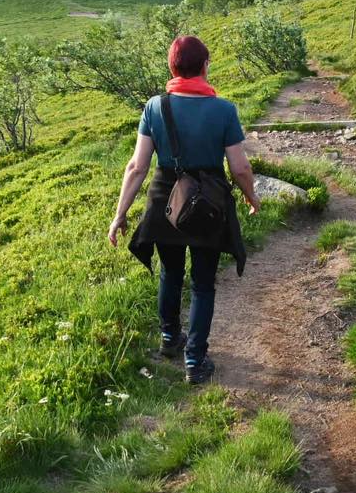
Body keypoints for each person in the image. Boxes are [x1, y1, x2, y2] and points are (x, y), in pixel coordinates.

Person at [108, 35, 260, 383]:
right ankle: (195, 360)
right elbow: (240, 168)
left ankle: (169, 338)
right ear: (205, 66)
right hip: (209, 204)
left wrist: (120, 215)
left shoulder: (155, 107)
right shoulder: (224, 110)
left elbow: (137, 167)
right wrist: (252, 197)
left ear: (172, 67)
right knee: (203, 283)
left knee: (170, 272)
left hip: (166, 203)